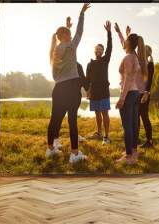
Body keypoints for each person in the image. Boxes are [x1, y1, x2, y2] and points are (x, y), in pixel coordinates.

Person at [47, 3, 90, 164]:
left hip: (58, 89)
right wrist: (82, 14)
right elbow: (80, 31)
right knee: (72, 120)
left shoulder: (54, 52)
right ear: (66, 36)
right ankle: (74, 154)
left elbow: (65, 37)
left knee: (54, 120)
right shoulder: (71, 46)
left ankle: (50, 149)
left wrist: (65, 28)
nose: (72, 37)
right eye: (69, 35)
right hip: (71, 88)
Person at [114, 23, 148, 164]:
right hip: (135, 94)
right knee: (133, 123)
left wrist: (121, 98)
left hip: (129, 94)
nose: (124, 42)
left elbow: (128, 79)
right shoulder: (134, 56)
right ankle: (133, 151)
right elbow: (124, 43)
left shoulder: (129, 58)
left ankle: (129, 156)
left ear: (129, 43)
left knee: (127, 125)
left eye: (126, 40)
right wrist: (120, 33)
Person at [85, 21, 112, 145]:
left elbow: (110, 47)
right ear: (94, 51)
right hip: (94, 92)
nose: (99, 50)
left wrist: (109, 32)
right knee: (97, 113)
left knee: (104, 113)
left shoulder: (105, 60)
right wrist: (88, 91)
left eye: (101, 49)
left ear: (103, 51)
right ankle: (98, 132)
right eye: (97, 49)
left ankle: (106, 136)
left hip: (104, 91)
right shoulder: (90, 64)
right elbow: (87, 80)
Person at [138, 45, 154, 148]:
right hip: (136, 93)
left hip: (144, 94)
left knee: (145, 117)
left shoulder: (150, 64)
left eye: (144, 50)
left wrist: (146, 93)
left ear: (147, 53)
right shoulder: (140, 63)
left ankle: (149, 141)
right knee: (136, 117)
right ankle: (136, 138)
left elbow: (150, 81)